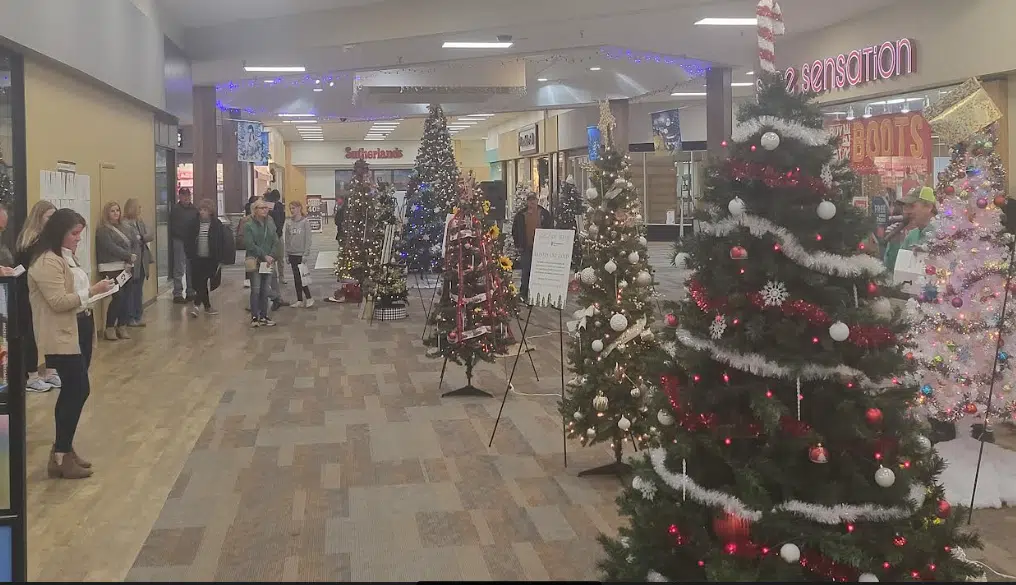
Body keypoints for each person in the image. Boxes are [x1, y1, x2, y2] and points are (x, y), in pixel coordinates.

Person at [28, 209, 115, 479]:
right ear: (59, 233)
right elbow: (58, 301)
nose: (78, 239)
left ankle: (63, 449)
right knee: (77, 389)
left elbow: (76, 294)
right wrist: (91, 291)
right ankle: (60, 453)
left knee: (77, 390)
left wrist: (98, 292)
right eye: (74, 234)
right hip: (61, 334)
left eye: (80, 233)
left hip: (80, 326)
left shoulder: (67, 256)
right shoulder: (46, 262)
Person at [15, 200, 59, 392]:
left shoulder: (47, 239)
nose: (52, 220)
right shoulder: (31, 240)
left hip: (43, 292)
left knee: (47, 331)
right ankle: (31, 376)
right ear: (39, 217)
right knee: (30, 334)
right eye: (49, 216)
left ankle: (50, 371)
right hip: (28, 292)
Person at [95, 201, 135, 341]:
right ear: (107, 213)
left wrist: (130, 259)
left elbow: (132, 243)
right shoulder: (102, 230)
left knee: (126, 298)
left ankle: (122, 325)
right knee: (118, 297)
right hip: (110, 268)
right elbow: (110, 247)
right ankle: (110, 327)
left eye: (117, 210)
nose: (116, 213)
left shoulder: (124, 227)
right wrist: (128, 255)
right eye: (112, 211)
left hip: (125, 267)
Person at [184, 199, 227, 317]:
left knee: (204, 282)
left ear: (210, 212)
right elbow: (187, 240)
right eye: (201, 210)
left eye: (205, 210)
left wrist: (221, 258)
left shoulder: (216, 224)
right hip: (197, 258)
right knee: (200, 283)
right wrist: (189, 254)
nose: (202, 212)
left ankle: (197, 306)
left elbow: (222, 242)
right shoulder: (193, 224)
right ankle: (207, 307)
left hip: (211, 258)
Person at [510, 193, 553, 300]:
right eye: (530, 200)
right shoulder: (521, 215)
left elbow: (550, 228)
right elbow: (515, 230)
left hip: (541, 248)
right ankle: (524, 293)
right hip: (526, 247)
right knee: (526, 270)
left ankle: (540, 293)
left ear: (537, 200)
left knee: (541, 270)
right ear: (527, 201)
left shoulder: (544, 214)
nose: (532, 202)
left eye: (534, 200)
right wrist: (518, 244)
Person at [245, 199, 279, 327]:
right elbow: (249, 244)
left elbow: (275, 240)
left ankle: (264, 315)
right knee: (256, 289)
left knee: (265, 289)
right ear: (255, 210)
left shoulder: (270, 224)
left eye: (266, 207)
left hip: (268, 261)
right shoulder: (249, 225)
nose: (265, 210)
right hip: (256, 261)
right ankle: (255, 316)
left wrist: (271, 255)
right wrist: (263, 255)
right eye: (262, 208)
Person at [884, 186, 937, 271]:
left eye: (911, 206)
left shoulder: (942, 235)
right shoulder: (911, 236)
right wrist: (894, 243)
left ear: (929, 207)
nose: (906, 212)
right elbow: (894, 270)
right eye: (905, 207)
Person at [121, 198, 154, 327]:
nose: (140, 210)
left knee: (138, 290)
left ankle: (138, 315)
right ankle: (130, 317)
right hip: (133, 259)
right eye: (138, 207)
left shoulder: (139, 222)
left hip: (142, 259)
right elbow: (131, 239)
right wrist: (140, 238)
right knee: (131, 290)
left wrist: (141, 237)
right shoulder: (124, 223)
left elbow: (150, 235)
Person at [170, 187, 198, 303]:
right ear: (179, 196)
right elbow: (172, 226)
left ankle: (190, 292)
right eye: (183, 195)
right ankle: (177, 293)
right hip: (179, 241)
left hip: (191, 242)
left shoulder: (194, 209)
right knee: (179, 267)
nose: (186, 197)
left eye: (188, 195)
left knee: (190, 267)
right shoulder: (176, 210)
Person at [286, 201, 314, 308]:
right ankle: (299, 299)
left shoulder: (305, 222)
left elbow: (308, 239)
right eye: (290, 208)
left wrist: (306, 254)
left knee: (302, 277)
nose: (292, 210)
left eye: (293, 208)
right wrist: (286, 254)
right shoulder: (288, 223)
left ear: (299, 208)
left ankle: (309, 297)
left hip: (300, 254)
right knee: (296, 277)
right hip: (292, 253)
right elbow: (287, 239)